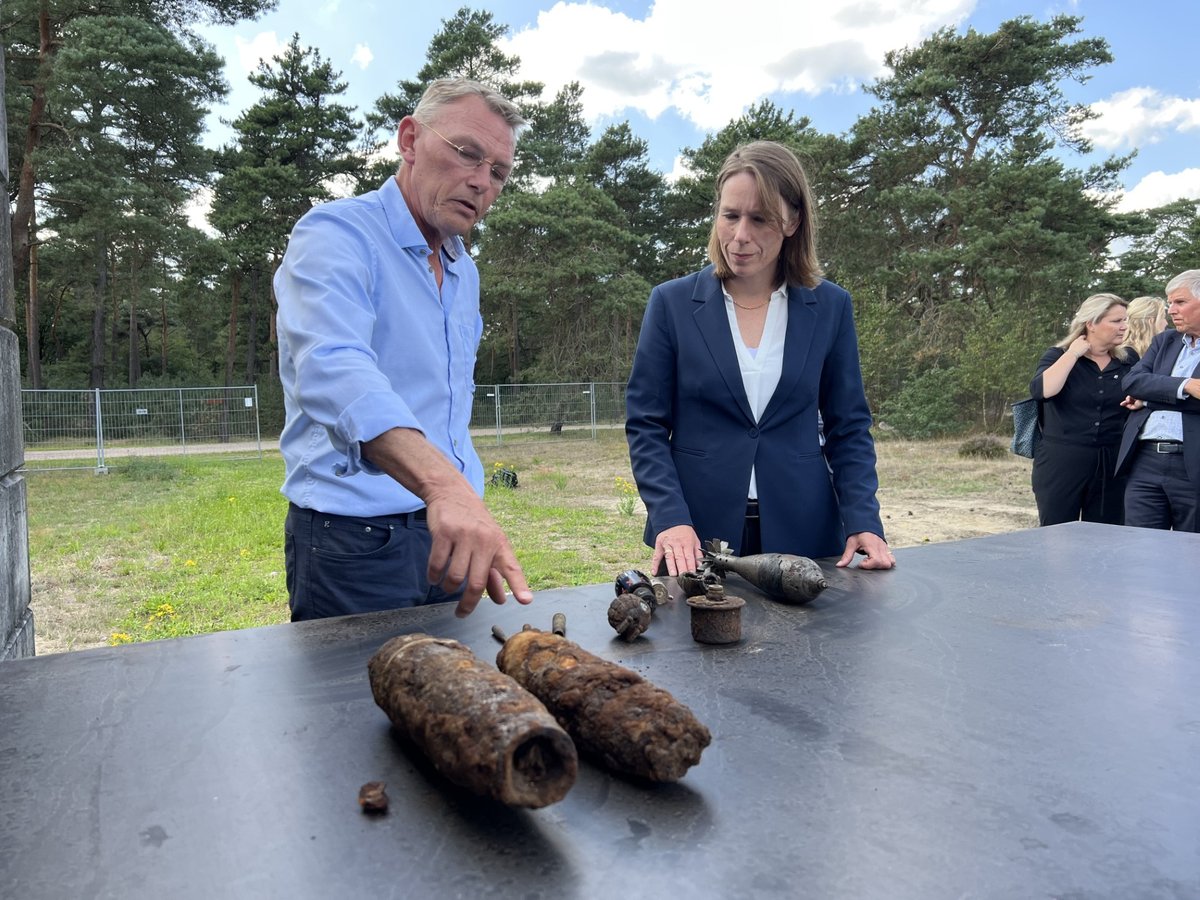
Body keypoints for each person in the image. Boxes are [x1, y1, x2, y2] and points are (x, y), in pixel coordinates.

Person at [274, 78, 533, 621]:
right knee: (355, 705)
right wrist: (445, 487)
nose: (481, 182)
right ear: (410, 140)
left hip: (452, 533)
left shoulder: (466, 272)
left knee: (463, 700)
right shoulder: (336, 235)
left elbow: (445, 407)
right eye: (467, 153)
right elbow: (332, 366)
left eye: (498, 172)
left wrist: (462, 500)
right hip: (355, 544)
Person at [625, 140, 893, 578]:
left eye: (759, 219)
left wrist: (864, 518)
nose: (740, 235)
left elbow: (849, 427)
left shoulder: (830, 307)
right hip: (696, 537)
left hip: (806, 532)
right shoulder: (671, 304)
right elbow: (646, 424)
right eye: (730, 216)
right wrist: (671, 517)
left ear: (793, 222)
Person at [1028, 293, 1135, 526]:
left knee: (1106, 537)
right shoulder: (1057, 355)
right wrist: (1073, 354)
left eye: (1125, 320)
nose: (1124, 327)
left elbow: (1144, 394)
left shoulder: (1128, 360)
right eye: (1116, 321)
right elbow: (1042, 391)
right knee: (1057, 534)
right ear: (1091, 323)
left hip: (1112, 462)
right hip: (1062, 461)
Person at [1115, 270, 1200, 532]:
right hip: (1145, 462)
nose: (1170, 310)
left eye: (1180, 302)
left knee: (1191, 556)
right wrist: (1186, 385)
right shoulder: (1165, 341)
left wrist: (1151, 399)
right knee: (1141, 553)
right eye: (1169, 302)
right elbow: (1132, 382)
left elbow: (1145, 388)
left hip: (1194, 465)